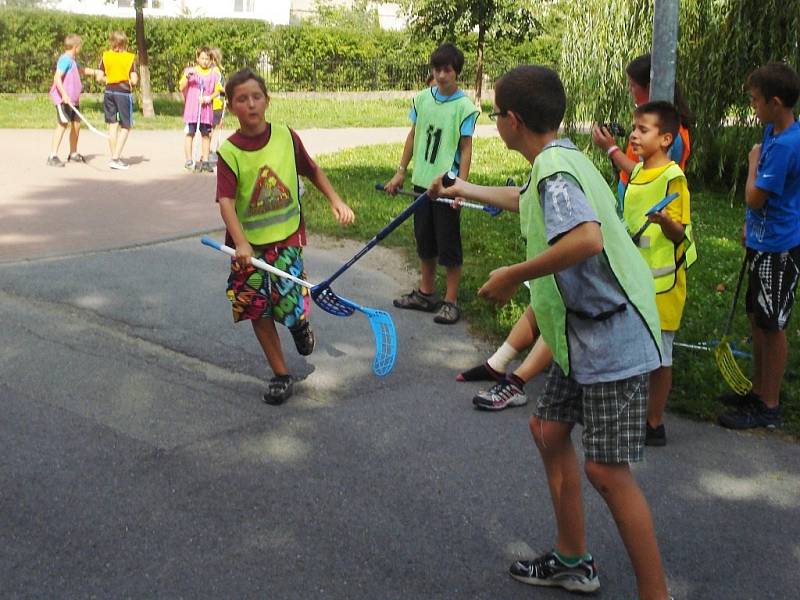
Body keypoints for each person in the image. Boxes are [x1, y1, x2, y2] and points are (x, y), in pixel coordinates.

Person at [430, 65, 671, 600]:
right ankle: (572, 561)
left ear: (512, 121)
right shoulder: (557, 161)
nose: (495, 121)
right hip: (578, 339)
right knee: (547, 430)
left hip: (613, 341)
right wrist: (461, 187)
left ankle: (657, 594)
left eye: (496, 113)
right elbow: (529, 199)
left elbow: (585, 238)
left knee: (607, 472)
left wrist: (513, 275)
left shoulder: (557, 173)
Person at [215, 68, 355, 405]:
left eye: (256, 96)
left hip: (286, 238)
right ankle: (280, 374)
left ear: (267, 100)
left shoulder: (285, 136)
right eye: (242, 99)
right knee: (256, 308)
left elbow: (313, 169)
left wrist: (336, 200)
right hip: (248, 247)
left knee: (289, 303)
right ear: (232, 107)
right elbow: (226, 202)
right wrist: (242, 243)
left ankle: (299, 325)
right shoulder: (229, 152)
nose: (251, 104)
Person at [718, 63, 800, 430]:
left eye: (754, 100)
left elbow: (754, 197)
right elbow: (760, 206)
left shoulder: (784, 145)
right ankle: (756, 391)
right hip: (764, 241)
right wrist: (749, 229)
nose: (751, 106)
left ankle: (769, 405)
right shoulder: (773, 131)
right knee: (757, 316)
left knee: (772, 323)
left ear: (776, 102)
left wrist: (752, 163)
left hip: (780, 248)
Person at [383, 43, 480, 325]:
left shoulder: (465, 108)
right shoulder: (422, 99)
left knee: (448, 243)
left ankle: (450, 301)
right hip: (421, 183)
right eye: (436, 69)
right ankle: (426, 294)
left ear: (457, 72)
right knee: (424, 239)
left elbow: (466, 148)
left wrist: (460, 185)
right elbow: (413, 136)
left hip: (446, 185)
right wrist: (401, 171)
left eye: (447, 70)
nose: (440, 75)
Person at [623, 100, 696, 446]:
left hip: (664, 284)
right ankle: (635, 411)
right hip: (637, 277)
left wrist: (667, 221)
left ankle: (654, 422)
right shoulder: (638, 172)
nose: (634, 135)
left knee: (661, 355)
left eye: (642, 130)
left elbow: (679, 232)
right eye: (634, 128)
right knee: (637, 347)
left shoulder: (673, 177)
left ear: (666, 139)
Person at [591, 53, 693, 209]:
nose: (629, 90)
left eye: (632, 85)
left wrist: (611, 148)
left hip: (647, 210)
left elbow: (649, 176)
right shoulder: (656, 122)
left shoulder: (672, 133)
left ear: (649, 87)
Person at [47, 33, 101, 167]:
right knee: (62, 124)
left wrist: (96, 72)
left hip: (74, 101)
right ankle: (52, 155)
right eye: (80, 47)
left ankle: (73, 153)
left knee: (76, 125)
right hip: (64, 100)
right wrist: (64, 94)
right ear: (75, 47)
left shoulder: (72, 60)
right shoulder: (65, 59)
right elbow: (57, 77)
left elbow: (81, 70)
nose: (80, 49)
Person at [96, 31, 138, 170]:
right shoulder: (130, 58)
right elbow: (134, 79)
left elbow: (99, 77)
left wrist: (108, 79)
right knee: (126, 126)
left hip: (109, 91)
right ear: (124, 43)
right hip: (123, 93)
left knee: (112, 125)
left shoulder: (106, 56)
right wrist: (131, 82)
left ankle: (114, 155)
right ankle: (115, 158)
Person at [179, 47, 220, 173]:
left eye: (207, 59)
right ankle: (189, 160)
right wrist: (186, 77)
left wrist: (209, 98)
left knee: (206, 135)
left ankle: (206, 160)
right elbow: (181, 86)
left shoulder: (214, 74)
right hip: (193, 109)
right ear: (197, 59)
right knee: (190, 133)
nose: (204, 61)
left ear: (211, 60)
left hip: (206, 110)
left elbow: (218, 90)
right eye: (202, 58)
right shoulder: (191, 71)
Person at [209, 47, 226, 164]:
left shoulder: (215, 70)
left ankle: (209, 151)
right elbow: (218, 87)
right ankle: (209, 151)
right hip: (216, 101)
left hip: (217, 101)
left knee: (212, 127)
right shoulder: (215, 71)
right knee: (211, 127)